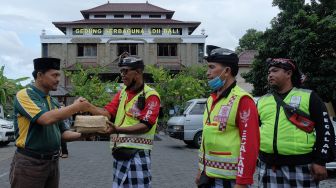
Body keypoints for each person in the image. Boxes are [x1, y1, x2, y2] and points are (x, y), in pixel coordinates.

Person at [9, 57, 92, 188]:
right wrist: (76, 107)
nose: (58, 79)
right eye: (54, 75)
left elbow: (63, 134)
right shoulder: (24, 95)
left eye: (59, 75)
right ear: (40, 75)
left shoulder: (52, 101)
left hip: (52, 163)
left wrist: (85, 134)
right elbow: (45, 119)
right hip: (30, 163)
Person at [257, 58, 336, 187]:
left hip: (301, 166)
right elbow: (254, 131)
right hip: (267, 167)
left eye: (275, 71)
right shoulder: (262, 100)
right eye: (269, 72)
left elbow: (325, 129)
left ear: (288, 73)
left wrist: (321, 161)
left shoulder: (309, 96)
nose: (270, 74)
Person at [88, 53, 161, 187]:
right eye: (121, 71)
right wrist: (88, 106)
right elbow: (107, 113)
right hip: (119, 154)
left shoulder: (151, 95)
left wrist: (117, 129)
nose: (122, 74)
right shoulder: (122, 93)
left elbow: (146, 126)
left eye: (125, 71)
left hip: (138, 155)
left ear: (138, 72)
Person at [195, 45, 260, 188]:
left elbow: (250, 143)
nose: (207, 73)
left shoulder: (242, 100)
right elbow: (208, 137)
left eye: (212, 67)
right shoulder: (211, 99)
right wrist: (201, 170)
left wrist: (243, 182)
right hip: (208, 176)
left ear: (227, 71)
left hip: (230, 180)